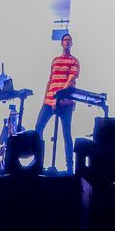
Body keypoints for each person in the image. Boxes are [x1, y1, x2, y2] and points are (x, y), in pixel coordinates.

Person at [35, 32, 81, 171]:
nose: (67, 41)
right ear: (61, 43)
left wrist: (59, 97)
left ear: (71, 43)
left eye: (69, 40)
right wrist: (46, 98)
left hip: (65, 102)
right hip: (50, 100)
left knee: (66, 134)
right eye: (65, 40)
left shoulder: (74, 61)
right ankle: (38, 163)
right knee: (38, 129)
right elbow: (50, 79)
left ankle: (69, 167)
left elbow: (71, 80)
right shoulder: (55, 60)